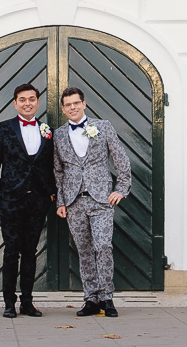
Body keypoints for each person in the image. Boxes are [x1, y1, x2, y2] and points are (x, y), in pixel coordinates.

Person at [52, 85, 132, 318]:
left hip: (101, 200)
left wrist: (121, 189)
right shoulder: (58, 135)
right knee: (84, 250)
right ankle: (91, 298)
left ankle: (107, 297)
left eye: (76, 103)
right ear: (64, 109)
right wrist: (60, 201)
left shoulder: (103, 127)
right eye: (68, 105)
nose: (73, 107)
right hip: (73, 201)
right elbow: (58, 170)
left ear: (84, 104)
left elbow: (121, 159)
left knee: (103, 246)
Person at [0, 83, 56, 318]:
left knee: (30, 251)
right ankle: (8, 303)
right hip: (10, 200)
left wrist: (50, 192)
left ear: (38, 102)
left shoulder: (47, 129)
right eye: (23, 99)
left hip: (38, 200)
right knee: (11, 251)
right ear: (15, 103)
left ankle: (27, 301)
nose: (28, 103)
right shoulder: (3, 129)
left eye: (32, 99)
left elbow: (51, 166)